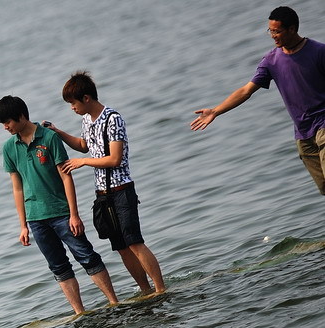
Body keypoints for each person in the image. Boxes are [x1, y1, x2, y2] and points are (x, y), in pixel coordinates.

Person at [45, 71, 166, 294]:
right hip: (102, 194)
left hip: (122, 190)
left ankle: (160, 289)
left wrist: (83, 162)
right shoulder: (86, 120)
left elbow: (114, 159)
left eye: (73, 103)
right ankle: (146, 291)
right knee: (121, 247)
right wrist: (58, 132)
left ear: (86, 98)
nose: (72, 108)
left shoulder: (113, 118)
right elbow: (83, 145)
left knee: (135, 243)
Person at [0, 95, 118, 315]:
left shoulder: (49, 137)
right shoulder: (8, 148)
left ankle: (113, 302)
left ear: (21, 116)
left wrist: (74, 214)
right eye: (3, 123)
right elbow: (17, 188)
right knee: (58, 267)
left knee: (87, 256)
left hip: (62, 213)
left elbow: (66, 177)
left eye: (8, 122)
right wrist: (23, 225)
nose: (5, 127)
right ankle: (79, 313)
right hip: (36, 218)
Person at [190, 6, 325, 195]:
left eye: (277, 31)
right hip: (303, 134)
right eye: (270, 31)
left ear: (292, 29)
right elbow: (246, 91)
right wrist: (216, 111)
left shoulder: (318, 52)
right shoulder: (271, 61)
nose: (273, 36)